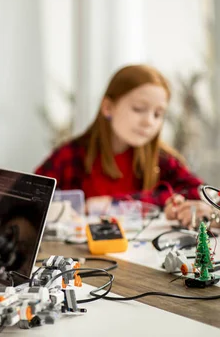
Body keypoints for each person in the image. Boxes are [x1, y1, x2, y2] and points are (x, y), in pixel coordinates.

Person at [34, 64, 214, 228]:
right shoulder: (71, 155)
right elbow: (27, 197)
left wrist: (112, 204)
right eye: (138, 109)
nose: (149, 121)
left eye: (158, 114)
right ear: (108, 108)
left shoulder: (161, 159)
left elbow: (204, 195)